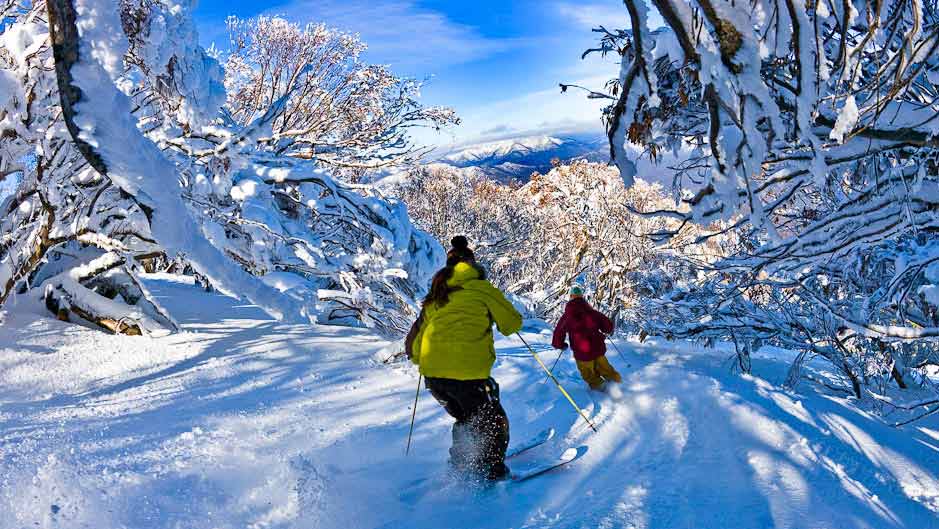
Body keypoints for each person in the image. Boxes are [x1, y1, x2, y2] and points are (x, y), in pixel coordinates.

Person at [406, 236, 523, 481]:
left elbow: (419, 335)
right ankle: (492, 470)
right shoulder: (481, 289)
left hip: (433, 377)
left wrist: (423, 360)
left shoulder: (438, 294)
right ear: (472, 264)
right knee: (493, 421)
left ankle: (462, 461)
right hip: (468, 375)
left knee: (466, 417)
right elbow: (512, 324)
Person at [551, 284, 622, 390]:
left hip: (582, 353)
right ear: (582, 297)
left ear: (571, 297)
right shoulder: (592, 313)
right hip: (598, 348)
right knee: (606, 369)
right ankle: (619, 387)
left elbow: (559, 332)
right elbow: (608, 326)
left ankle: (602, 391)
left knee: (589, 374)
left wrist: (559, 344)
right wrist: (605, 330)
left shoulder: (567, 316)